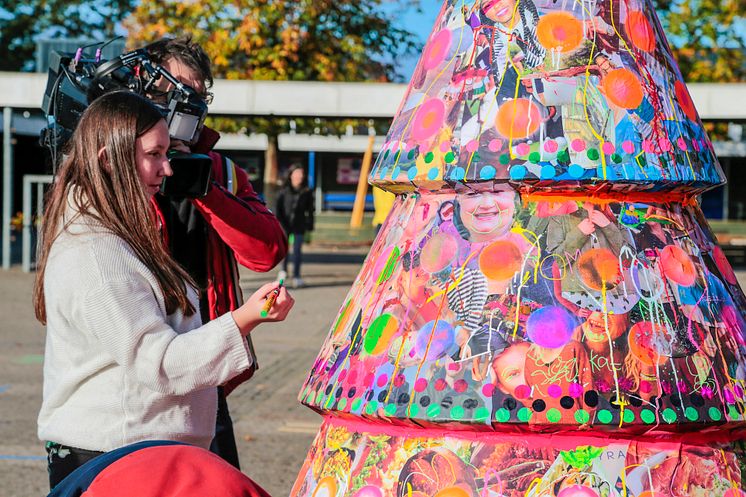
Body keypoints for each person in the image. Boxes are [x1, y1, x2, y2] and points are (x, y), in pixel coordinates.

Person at [33, 91, 295, 489]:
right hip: (115, 455)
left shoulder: (112, 234)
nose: (167, 169)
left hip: (134, 449)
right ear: (109, 160)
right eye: (154, 155)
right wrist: (246, 318)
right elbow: (159, 362)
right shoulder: (97, 251)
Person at [143, 37, 288, 469]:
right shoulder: (113, 167)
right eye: (177, 93)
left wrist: (203, 186)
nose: (188, 106)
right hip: (136, 366)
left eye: (198, 96)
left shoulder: (221, 170)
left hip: (204, 361)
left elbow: (266, 250)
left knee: (217, 479)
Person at [275, 165, 315, 288]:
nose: (299, 177)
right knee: (284, 249)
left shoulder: (307, 191)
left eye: (301, 175)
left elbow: (310, 210)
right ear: (291, 175)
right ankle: (283, 271)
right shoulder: (283, 191)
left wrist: (310, 224)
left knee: (297, 251)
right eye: (296, 174)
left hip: (299, 225)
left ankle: (297, 276)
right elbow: (278, 209)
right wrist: (280, 223)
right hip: (284, 224)